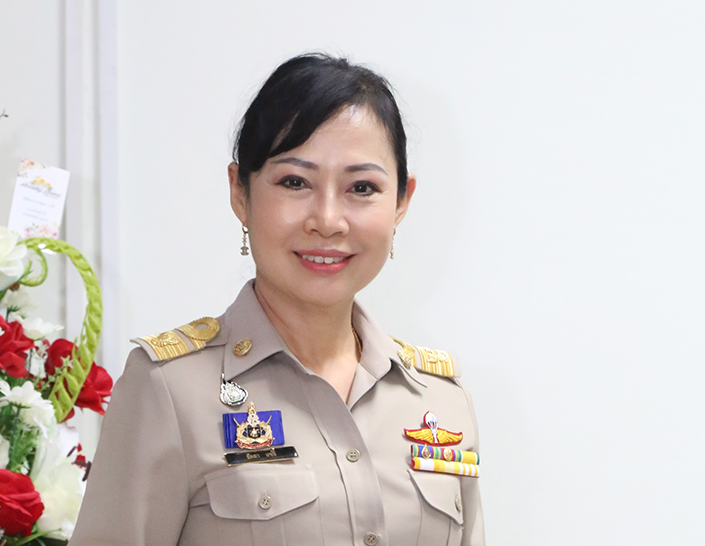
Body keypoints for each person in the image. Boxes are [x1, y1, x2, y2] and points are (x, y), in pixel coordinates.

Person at [69, 53, 484, 546]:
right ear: (239, 192)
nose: (327, 220)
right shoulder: (169, 390)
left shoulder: (440, 400)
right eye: (294, 182)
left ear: (401, 202)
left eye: (362, 187)